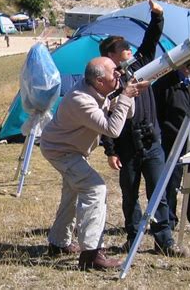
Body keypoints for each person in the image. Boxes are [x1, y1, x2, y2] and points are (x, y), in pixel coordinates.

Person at [40, 57, 149, 271]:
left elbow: (128, 115)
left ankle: (58, 243)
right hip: (60, 151)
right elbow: (112, 130)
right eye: (113, 72)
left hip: (70, 149)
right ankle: (91, 253)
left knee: (72, 194)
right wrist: (125, 96)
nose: (118, 74)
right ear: (99, 81)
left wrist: (129, 95)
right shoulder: (81, 99)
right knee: (95, 188)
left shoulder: (99, 90)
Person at [99, 0, 187, 257]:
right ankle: (133, 237)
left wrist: (157, 16)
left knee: (158, 191)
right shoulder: (108, 82)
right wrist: (110, 150)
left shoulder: (141, 66)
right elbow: (104, 119)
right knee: (129, 196)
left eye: (126, 45)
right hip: (126, 148)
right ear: (109, 55)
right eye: (120, 46)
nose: (127, 48)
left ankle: (164, 240)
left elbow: (150, 40)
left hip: (152, 143)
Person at [152, 65, 190, 232]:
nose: (188, 67)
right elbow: (157, 113)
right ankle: (168, 219)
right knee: (170, 181)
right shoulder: (164, 85)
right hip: (173, 140)